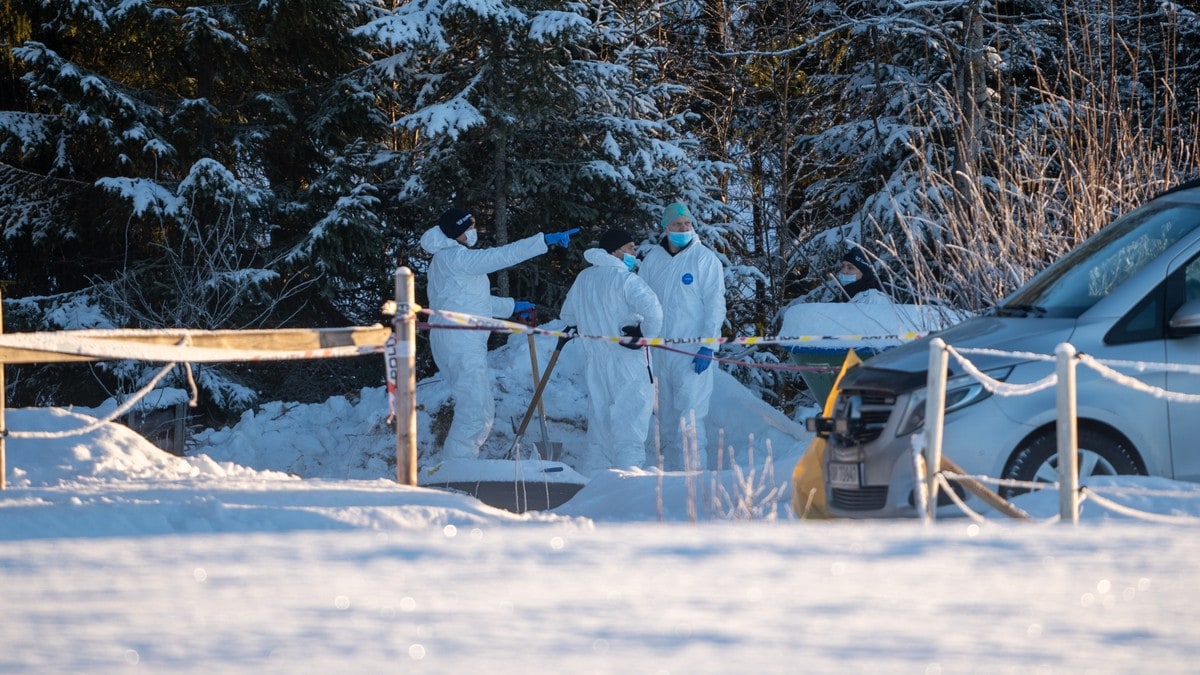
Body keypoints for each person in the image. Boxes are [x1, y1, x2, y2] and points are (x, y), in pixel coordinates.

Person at [419, 208, 578, 460]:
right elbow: (503, 255)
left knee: (476, 407)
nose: (473, 231)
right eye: (469, 227)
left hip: (452, 338)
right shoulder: (457, 258)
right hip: (461, 340)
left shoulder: (445, 260)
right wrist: (543, 241)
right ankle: (457, 468)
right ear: (457, 232)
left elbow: (469, 301)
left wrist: (512, 307)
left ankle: (458, 465)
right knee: (476, 411)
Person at [560, 229, 663, 473]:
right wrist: (644, 335)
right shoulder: (625, 279)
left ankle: (594, 483)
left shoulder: (584, 278)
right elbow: (654, 312)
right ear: (616, 251)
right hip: (628, 361)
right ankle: (628, 483)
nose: (634, 253)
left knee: (600, 428)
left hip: (595, 362)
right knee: (630, 427)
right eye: (630, 248)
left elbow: (567, 315)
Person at [638, 202, 726, 471]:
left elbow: (715, 305)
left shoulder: (704, 259)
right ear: (666, 228)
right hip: (659, 353)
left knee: (690, 418)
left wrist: (708, 345)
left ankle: (695, 478)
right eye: (678, 224)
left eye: (688, 223)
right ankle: (667, 477)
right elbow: (640, 299)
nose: (684, 228)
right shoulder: (653, 260)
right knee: (664, 419)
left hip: (691, 353)